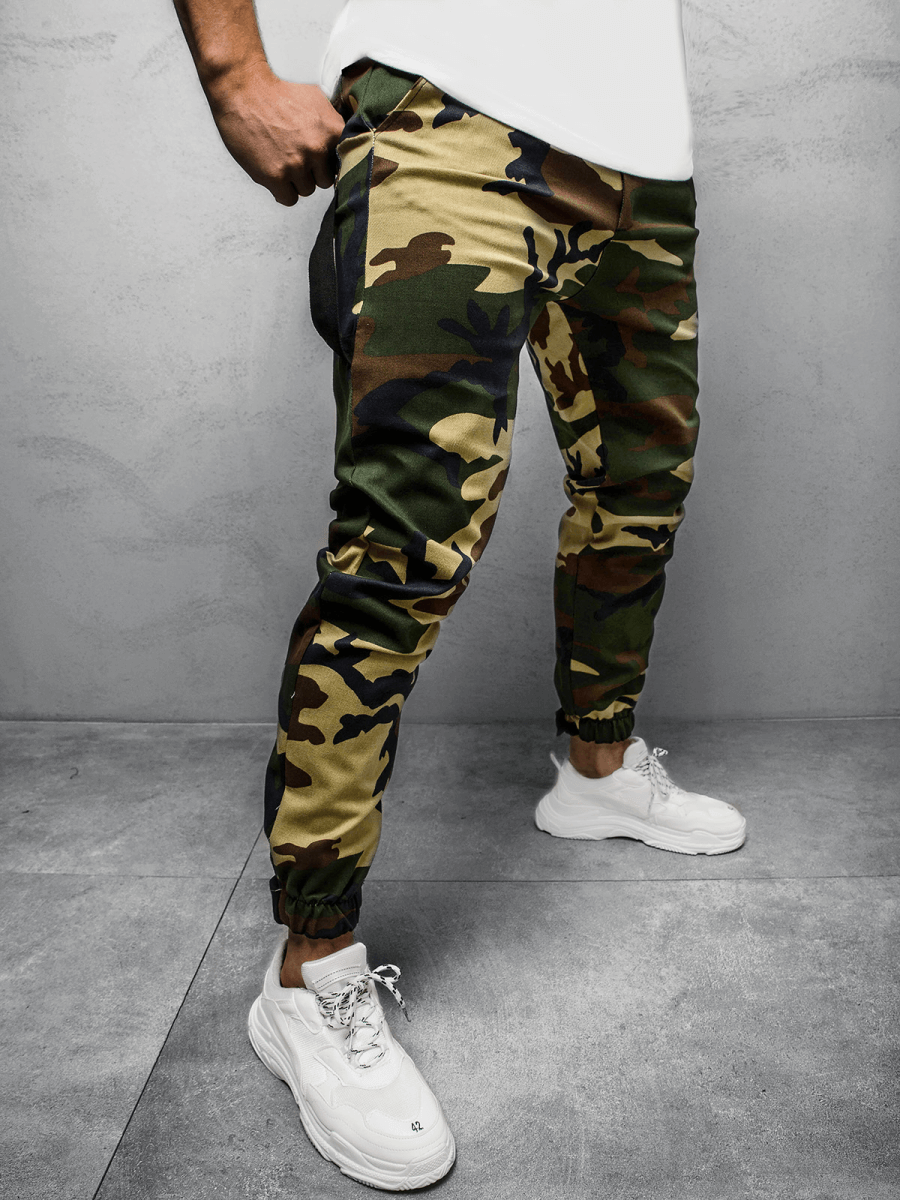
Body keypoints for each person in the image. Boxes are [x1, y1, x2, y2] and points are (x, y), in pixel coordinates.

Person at [173, 0, 747, 1189]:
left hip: (641, 155)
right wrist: (234, 72)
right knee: (404, 552)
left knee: (640, 490)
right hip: (448, 114)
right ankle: (310, 975)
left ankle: (597, 773)